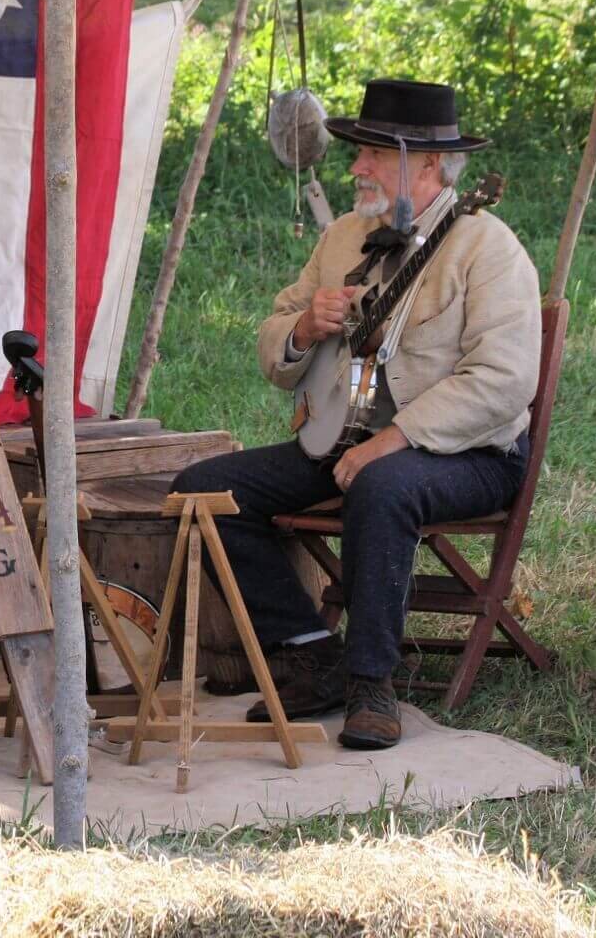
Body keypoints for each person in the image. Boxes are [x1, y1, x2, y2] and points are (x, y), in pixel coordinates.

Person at [170, 79, 540, 750]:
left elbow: (504, 382)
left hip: (470, 455)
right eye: (360, 152)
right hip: (345, 441)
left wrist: (396, 439)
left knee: (381, 483)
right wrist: (306, 328)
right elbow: (275, 334)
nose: (356, 168)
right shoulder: (344, 237)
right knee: (204, 493)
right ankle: (313, 653)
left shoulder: (489, 248)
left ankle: (373, 682)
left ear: (429, 165)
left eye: (372, 154)